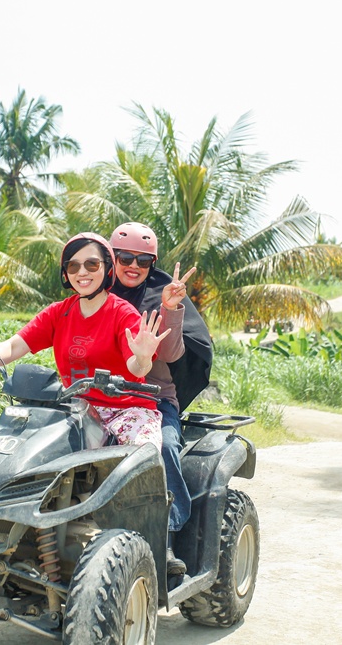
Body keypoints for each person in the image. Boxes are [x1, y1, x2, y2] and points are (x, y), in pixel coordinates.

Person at [0, 232, 170, 448]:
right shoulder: (59, 313)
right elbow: (15, 345)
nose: (82, 272)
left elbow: (138, 369)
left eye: (92, 264)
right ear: (66, 273)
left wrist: (142, 356)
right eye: (73, 266)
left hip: (126, 411)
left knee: (143, 453)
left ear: (108, 269)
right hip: (75, 410)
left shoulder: (123, 314)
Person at [108, 222, 214, 576]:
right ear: (111, 258)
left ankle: (165, 538)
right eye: (125, 257)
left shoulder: (161, 295)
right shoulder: (95, 290)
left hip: (151, 400)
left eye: (143, 260)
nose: (133, 266)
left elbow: (170, 353)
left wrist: (170, 308)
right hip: (98, 398)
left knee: (165, 445)